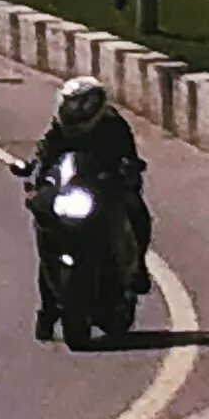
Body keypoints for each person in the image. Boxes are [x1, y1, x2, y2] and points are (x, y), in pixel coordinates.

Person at [26, 75, 151, 340]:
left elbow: (129, 157)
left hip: (103, 190)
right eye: (73, 105)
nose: (78, 111)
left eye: (84, 105)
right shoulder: (58, 128)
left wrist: (127, 170)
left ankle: (137, 265)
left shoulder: (113, 125)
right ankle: (47, 310)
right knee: (46, 229)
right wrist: (36, 180)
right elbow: (43, 157)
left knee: (136, 210)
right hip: (68, 192)